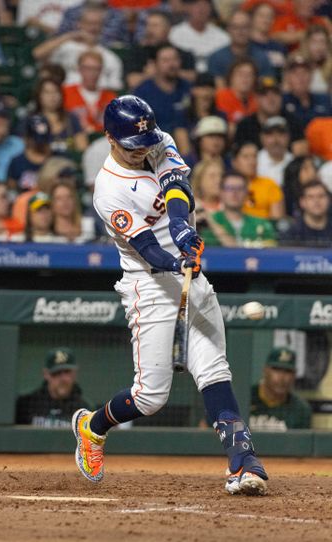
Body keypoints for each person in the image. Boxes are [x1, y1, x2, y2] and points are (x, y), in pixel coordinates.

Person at [74, 95, 269, 496]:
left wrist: (183, 230)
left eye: (145, 142)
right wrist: (174, 259)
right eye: (132, 145)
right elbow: (147, 249)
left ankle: (244, 462)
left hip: (188, 274)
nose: (142, 150)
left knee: (215, 370)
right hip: (149, 285)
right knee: (150, 398)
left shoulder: (157, 139)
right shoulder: (108, 190)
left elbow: (176, 186)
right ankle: (92, 427)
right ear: (110, 139)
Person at [198, 170, 277, 248]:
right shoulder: (208, 223)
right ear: (221, 192)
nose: (234, 193)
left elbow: (271, 254)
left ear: (246, 193)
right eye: (229, 188)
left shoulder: (261, 224)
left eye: (239, 188)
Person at [16, 348, 91, 428]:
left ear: (75, 373)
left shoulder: (84, 410)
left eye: (67, 372)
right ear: (46, 374)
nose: (63, 379)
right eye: (57, 373)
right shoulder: (27, 405)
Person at [249, 347, 312, 431]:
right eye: (277, 370)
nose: (282, 378)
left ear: (294, 375)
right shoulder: (245, 398)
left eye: (288, 371)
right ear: (265, 371)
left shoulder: (301, 410)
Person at [280, 180, 332, 248]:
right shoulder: (290, 234)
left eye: (321, 196)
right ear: (302, 202)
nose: (316, 201)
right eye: (310, 197)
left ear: (329, 200)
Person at [257, 117, 293, 188]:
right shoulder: (254, 161)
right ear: (262, 138)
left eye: (281, 134)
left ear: (288, 137)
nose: (276, 140)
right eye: (270, 134)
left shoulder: (294, 162)